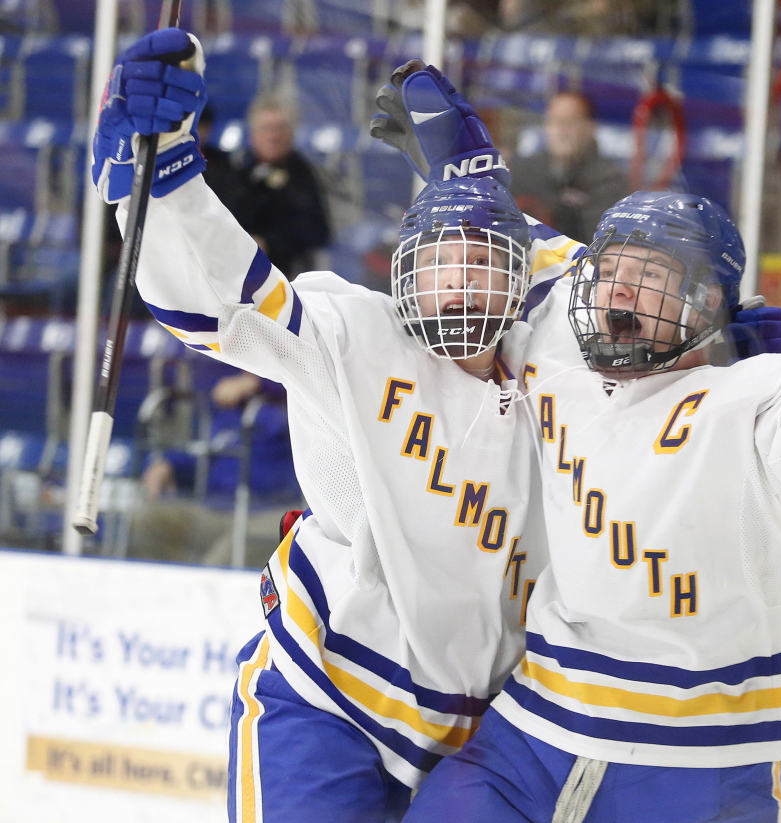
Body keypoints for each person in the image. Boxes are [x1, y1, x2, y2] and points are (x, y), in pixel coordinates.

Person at [383, 67, 781, 823]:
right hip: (536, 728)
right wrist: (467, 174)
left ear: (705, 306)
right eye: (611, 271)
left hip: (701, 756)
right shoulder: (557, 336)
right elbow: (533, 251)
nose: (617, 289)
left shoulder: (754, 393)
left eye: (648, 276)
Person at [91, 29, 545, 823]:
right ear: (404, 272)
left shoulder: (564, 390)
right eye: (439, 261)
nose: (458, 282)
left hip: (477, 744)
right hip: (323, 694)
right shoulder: (353, 332)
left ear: (520, 279)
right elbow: (225, 304)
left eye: (483, 261)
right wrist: (158, 182)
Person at [131, 370, 303, 568]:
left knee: (225, 555)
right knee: (152, 518)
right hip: (218, 508)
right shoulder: (230, 412)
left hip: (272, 512)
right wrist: (168, 463)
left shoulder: (290, 406)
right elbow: (211, 453)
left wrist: (261, 382)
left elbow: (320, 383)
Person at [229, 92, 333, 278]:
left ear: (292, 133)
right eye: (266, 128)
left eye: (280, 128)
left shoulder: (304, 175)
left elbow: (318, 232)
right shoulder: (236, 170)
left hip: (287, 274)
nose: (273, 136)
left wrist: (268, 244)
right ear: (253, 133)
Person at [508, 90, 631, 243]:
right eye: (554, 121)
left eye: (571, 121)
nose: (561, 130)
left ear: (590, 127)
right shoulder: (524, 171)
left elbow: (599, 242)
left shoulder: (609, 180)